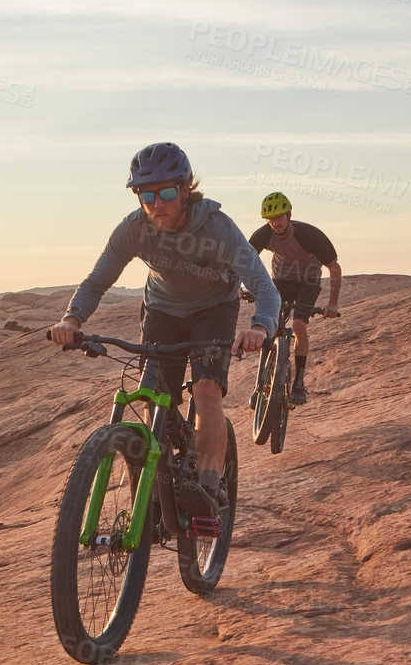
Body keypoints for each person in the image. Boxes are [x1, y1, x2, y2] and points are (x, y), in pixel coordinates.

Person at [50, 142, 279, 512]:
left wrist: (260, 327)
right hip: (162, 311)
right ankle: (157, 488)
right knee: (152, 397)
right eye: (146, 194)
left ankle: (207, 490)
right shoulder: (133, 229)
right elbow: (96, 282)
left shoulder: (218, 228)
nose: (157, 203)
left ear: (186, 189)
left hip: (214, 309)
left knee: (206, 390)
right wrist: (72, 319)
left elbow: (263, 286)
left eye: (167, 192)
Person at [247, 192, 341, 405]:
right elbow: (244, 261)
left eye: (279, 217)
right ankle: (260, 385)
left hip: (308, 282)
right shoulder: (264, 234)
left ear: (289, 215)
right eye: (271, 219)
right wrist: (241, 288)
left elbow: (334, 268)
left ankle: (298, 384)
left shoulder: (308, 235)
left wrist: (332, 304)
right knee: (270, 326)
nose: (275, 223)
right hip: (280, 282)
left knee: (299, 325)